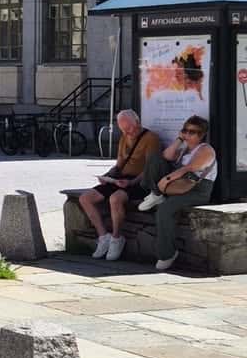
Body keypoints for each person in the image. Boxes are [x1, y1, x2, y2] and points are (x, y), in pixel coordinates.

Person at [78, 109, 161, 261]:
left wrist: (131, 182)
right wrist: (108, 176)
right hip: (121, 179)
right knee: (85, 198)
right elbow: (119, 164)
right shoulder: (124, 137)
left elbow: (150, 168)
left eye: (129, 128)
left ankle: (117, 237)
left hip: (140, 181)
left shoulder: (151, 138)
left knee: (115, 199)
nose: (127, 132)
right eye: (123, 129)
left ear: (138, 122)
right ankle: (103, 236)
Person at [137, 115, 218, 269]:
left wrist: (165, 181)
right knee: (155, 158)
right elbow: (166, 156)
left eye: (192, 132)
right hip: (179, 185)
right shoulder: (184, 147)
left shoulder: (206, 150)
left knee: (164, 211)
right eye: (185, 130)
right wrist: (179, 140)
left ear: (201, 135)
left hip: (197, 190)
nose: (187, 134)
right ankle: (156, 194)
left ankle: (167, 254)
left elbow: (188, 169)